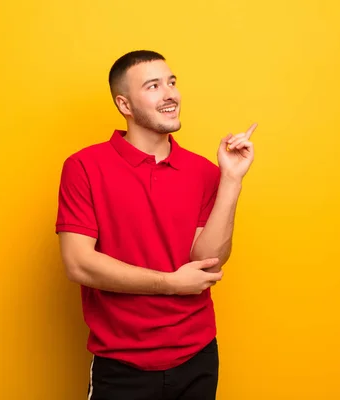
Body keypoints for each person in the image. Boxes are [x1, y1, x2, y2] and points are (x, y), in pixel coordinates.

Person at [55, 50, 257, 400]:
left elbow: (209, 259)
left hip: (198, 356)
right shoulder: (84, 167)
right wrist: (171, 284)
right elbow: (78, 263)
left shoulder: (204, 172)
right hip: (121, 364)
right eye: (153, 86)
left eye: (172, 82)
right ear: (125, 104)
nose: (170, 94)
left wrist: (231, 180)